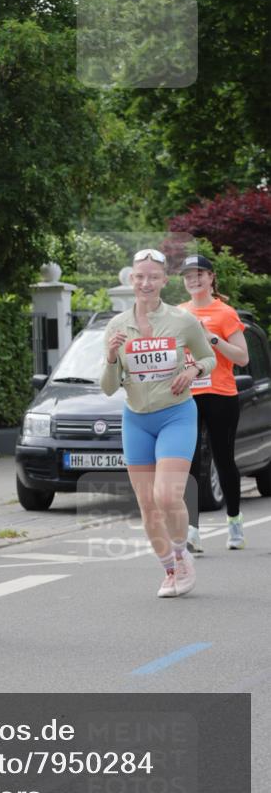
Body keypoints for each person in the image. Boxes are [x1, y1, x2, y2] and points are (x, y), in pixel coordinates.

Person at [101, 248, 216, 598]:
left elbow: (209, 356)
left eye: (153, 277)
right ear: (132, 280)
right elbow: (108, 388)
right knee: (147, 505)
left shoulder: (182, 321)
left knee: (166, 495)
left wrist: (193, 368)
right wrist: (109, 359)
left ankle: (182, 556)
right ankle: (169, 569)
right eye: (140, 277)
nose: (146, 283)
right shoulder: (117, 326)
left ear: (164, 281)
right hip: (136, 419)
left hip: (176, 415)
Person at [178, 255, 249, 553]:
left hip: (220, 394)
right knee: (188, 462)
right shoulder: (178, 313)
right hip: (186, 396)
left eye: (199, 275)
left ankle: (234, 521)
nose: (194, 281)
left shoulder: (225, 313)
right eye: (188, 276)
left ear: (211, 277)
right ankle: (192, 530)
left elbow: (243, 358)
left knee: (223, 459)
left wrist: (211, 338)